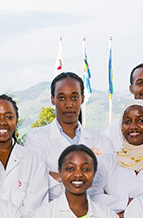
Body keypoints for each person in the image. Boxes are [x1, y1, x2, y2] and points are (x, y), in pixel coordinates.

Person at [24, 72, 112, 201]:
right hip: (53, 214)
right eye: (61, 98)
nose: (68, 104)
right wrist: (89, 179)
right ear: (52, 100)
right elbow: (37, 182)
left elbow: (109, 179)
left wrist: (58, 176)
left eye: (74, 97)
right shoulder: (36, 137)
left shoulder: (98, 136)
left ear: (82, 98)